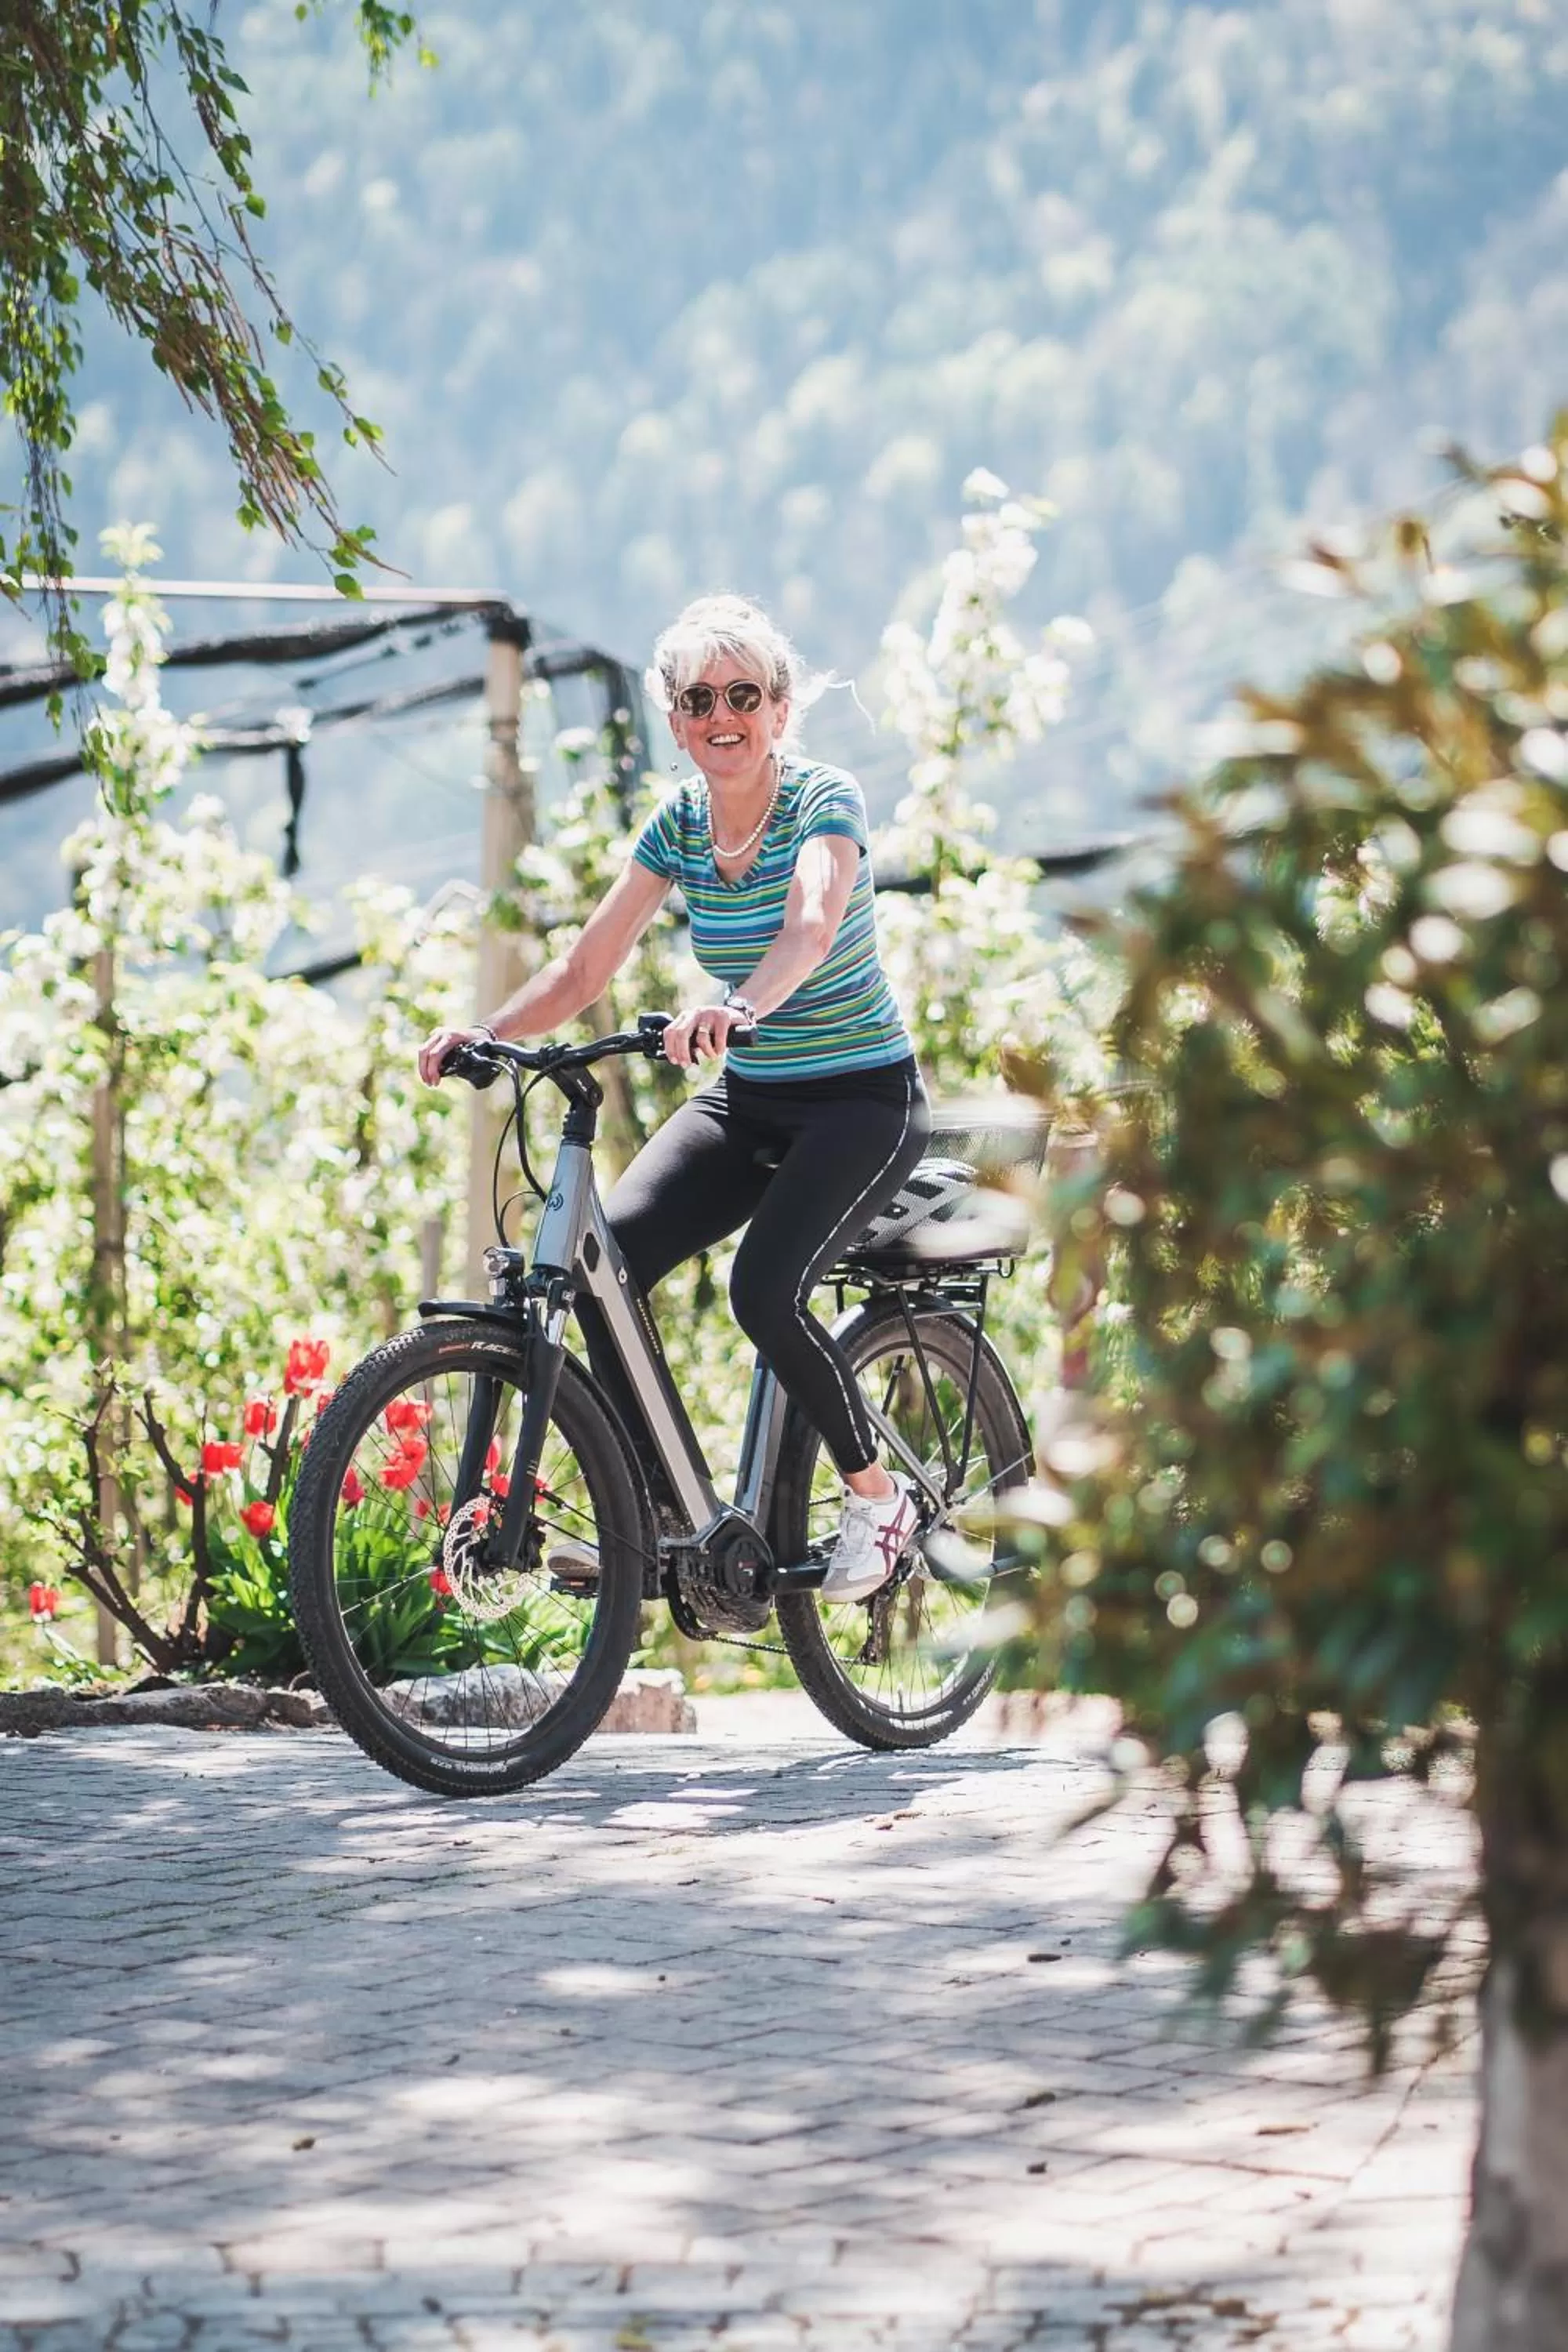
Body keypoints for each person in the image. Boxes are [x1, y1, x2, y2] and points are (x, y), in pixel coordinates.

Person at [419, 593, 931, 1600]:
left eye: (743, 693)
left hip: (860, 1103)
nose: (720, 713)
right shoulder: (680, 824)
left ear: (780, 710)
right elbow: (581, 969)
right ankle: (657, 1512)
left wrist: (736, 1005)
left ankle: (878, 1498)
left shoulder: (822, 799)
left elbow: (813, 924)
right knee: (600, 1269)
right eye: (698, 698)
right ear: (677, 719)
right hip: (750, 1098)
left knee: (761, 1292)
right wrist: (489, 1033)